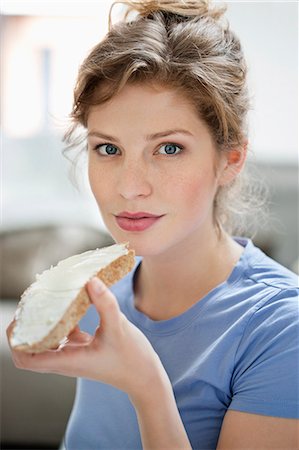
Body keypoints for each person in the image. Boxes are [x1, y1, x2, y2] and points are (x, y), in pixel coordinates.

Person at [7, 1, 299, 448]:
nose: (129, 187)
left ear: (230, 159)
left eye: (168, 149)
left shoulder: (280, 327)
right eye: (108, 149)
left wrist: (146, 386)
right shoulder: (97, 294)